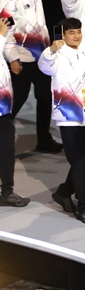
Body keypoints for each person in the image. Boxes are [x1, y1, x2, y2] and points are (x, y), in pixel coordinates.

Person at [37, 17, 85, 223]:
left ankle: (64, 192)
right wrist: (51, 50)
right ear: (63, 34)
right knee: (78, 160)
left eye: (78, 31)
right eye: (71, 32)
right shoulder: (57, 54)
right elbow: (44, 67)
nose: (76, 36)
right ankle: (83, 207)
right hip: (68, 114)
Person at [1, 0, 65, 153]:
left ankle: (44, 140)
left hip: (42, 56)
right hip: (21, 57)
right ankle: (2, 138)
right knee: (16, 100)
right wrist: (12, 57)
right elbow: (5, 28)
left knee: (45, 97)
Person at [0, 18, 30, 207]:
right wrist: (1, 35)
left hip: (3, 108)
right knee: (5, 148)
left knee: (6, 149)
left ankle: (7, 191)